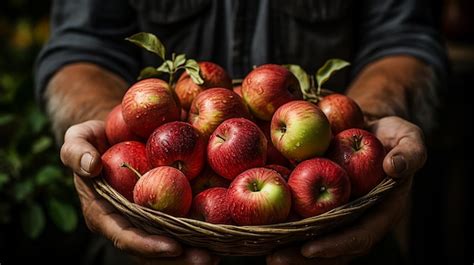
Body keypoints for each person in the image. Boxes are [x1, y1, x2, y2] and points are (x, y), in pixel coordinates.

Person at [35, 0, 446, 264]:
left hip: (338, 225)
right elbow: (82, 48)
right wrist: (108, 137)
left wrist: (369, 129)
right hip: (147, 233)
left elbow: (403, 39)